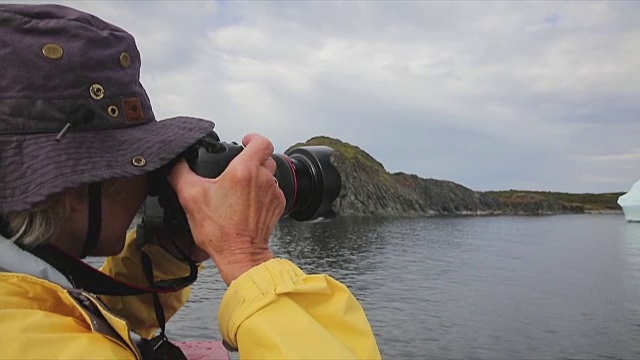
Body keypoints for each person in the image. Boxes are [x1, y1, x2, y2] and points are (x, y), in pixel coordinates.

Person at [0, 4, 381, 359]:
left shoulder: (23, 309)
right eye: (138, 162)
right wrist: (247, 257)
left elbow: (75, 317)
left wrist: (167, 255)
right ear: (75, 188)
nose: (152, 178)